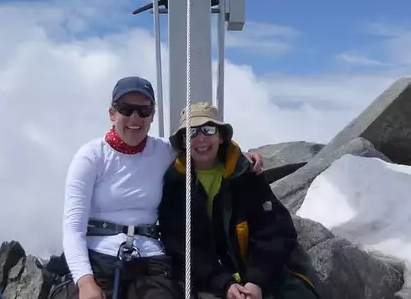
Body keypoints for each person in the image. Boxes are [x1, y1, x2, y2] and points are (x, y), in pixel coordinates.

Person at [53, 77, 266, 299]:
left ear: (153, 115)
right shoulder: (91, 157)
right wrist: (85, 281)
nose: (135, 118)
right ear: (112, 113)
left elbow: (202, 148)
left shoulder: (163, 151)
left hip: (151, 262)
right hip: (98, 258)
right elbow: (73, 228)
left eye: (143, 111)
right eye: (126, 109)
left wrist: (240, 156)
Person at [157, 102, 319, 299]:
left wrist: (256, 281)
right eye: (191, 133)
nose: (201, 139)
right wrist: (225, 285)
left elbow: (275, 230)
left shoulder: (245, 175)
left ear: (221, 136)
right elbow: (181, 247)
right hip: (208, 281)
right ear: (183, 141)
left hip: (259, 276)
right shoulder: (175, 184)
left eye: (208, 130)